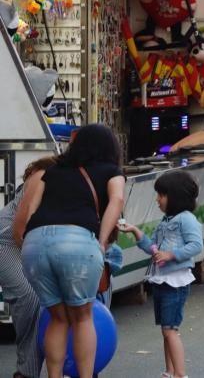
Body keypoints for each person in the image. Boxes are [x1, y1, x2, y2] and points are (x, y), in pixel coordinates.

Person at [13, 125, 125, 378]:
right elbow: (116, 200)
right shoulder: (112, 171)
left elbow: (28, 210)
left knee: (57, 317)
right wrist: (102, 241)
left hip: (35, 244)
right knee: (82, 317)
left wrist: (29, 246)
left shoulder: (51, 171)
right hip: (77, 243)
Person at [118, 171, 203, 378]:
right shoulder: (166, 220)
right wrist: (136, 232)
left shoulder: (186, 219)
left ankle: (180, 374)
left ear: (175, 196)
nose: (157, 199)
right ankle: (169, 371)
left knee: (170, 329)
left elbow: (196, 245)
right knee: (166, 330)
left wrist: (172, 255)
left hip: (176, 281)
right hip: (162, 280)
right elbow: (153, 248)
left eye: (161, 195)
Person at [0, 156, 59, 378]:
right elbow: (20, 229)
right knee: (29, 296)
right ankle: (27, 372)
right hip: (7, 240)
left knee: (42, 300)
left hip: (27, 240)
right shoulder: (42, 176)